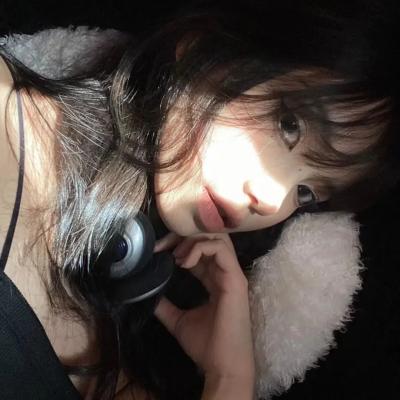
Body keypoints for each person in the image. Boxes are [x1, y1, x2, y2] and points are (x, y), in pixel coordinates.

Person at [0, 0, 399, 399]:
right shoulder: (8, 128)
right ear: (201, 45)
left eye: (306, 193)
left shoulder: (135, 353)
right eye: (288, 125)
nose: (271, 201)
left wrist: (230, 377)